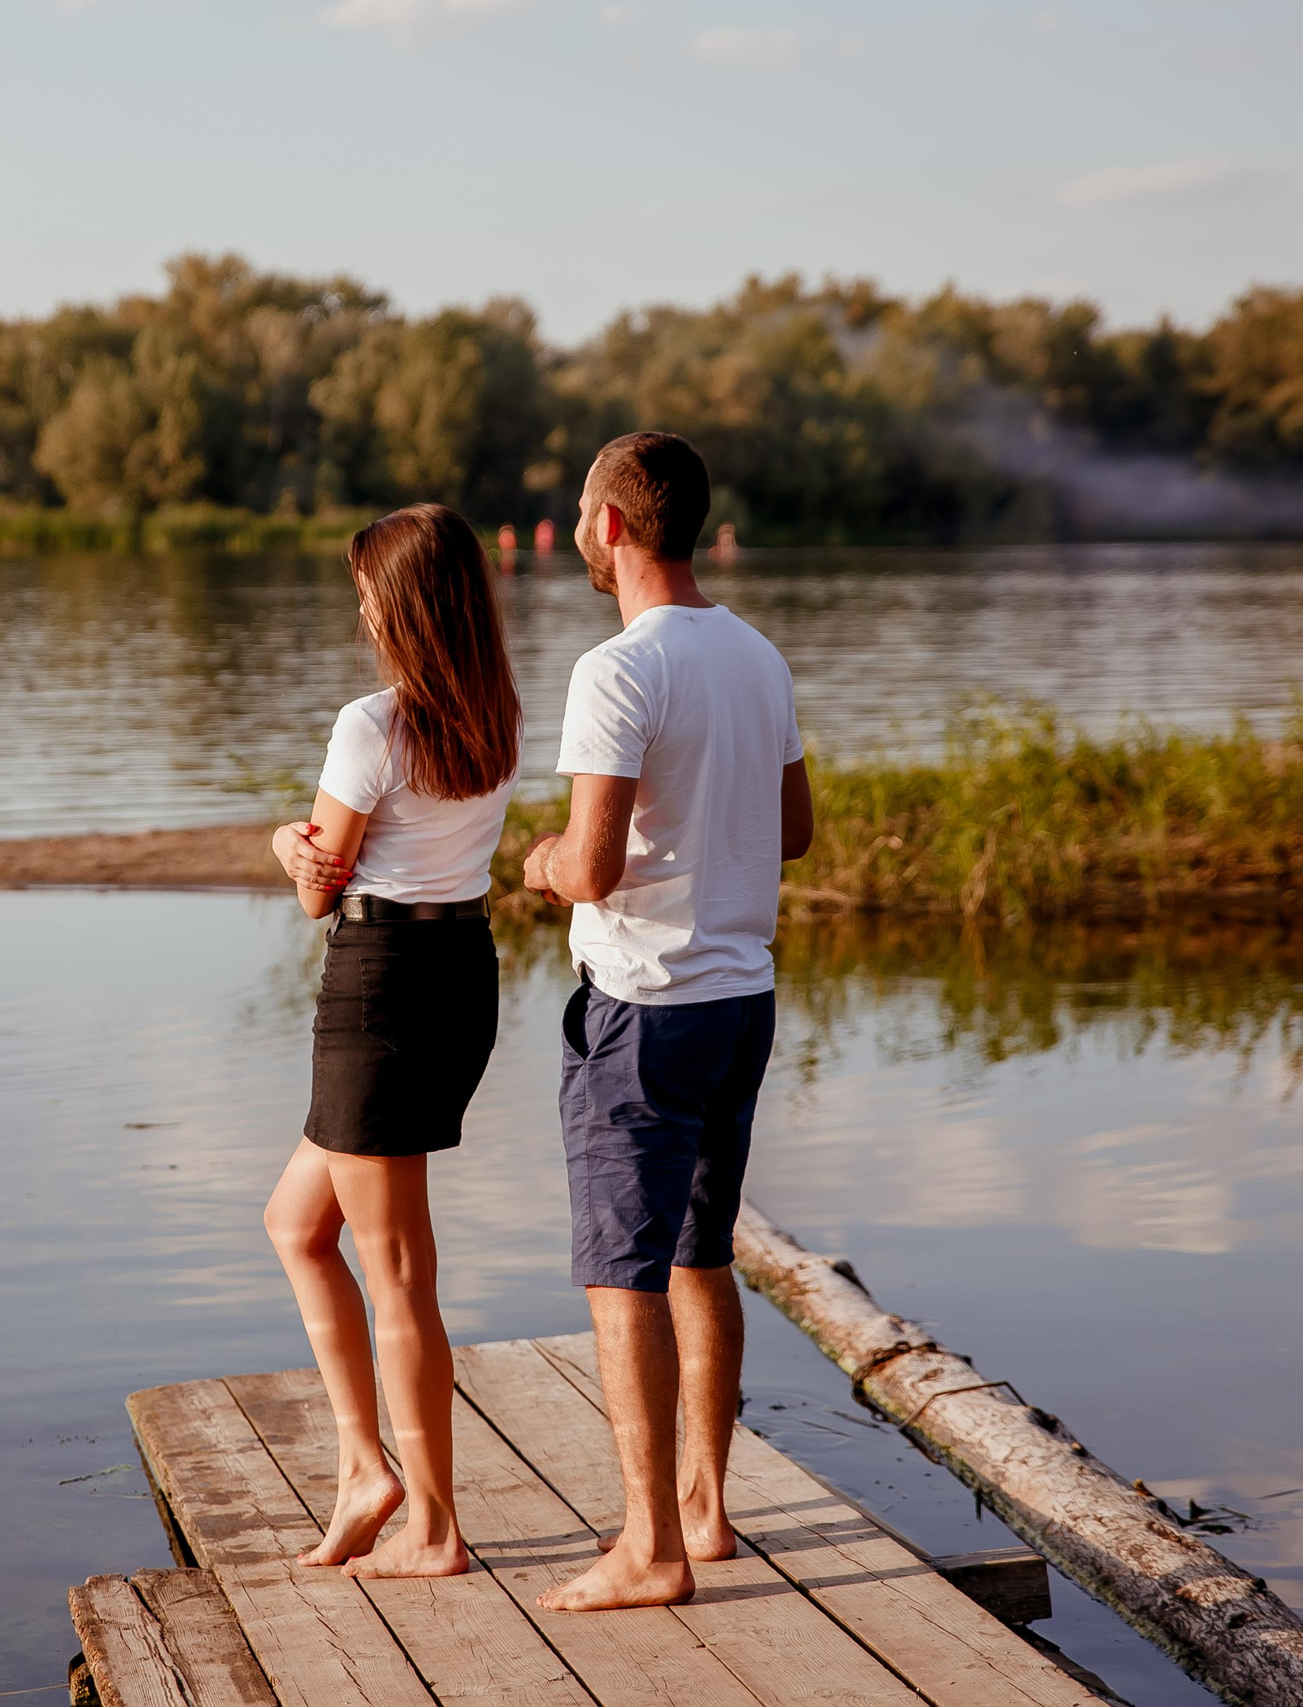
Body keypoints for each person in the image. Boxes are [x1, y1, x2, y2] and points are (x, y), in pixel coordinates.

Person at [520, 432, 812, 1612]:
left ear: (610, 526)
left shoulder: (617, 669)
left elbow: (589, 866)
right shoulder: (754, 652)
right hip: (740, 1000)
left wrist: (543, 862)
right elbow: (792, 831)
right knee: (701, 1254)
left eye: (586, 512)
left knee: (621, 1276)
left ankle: (649, 1551)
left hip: (642, 1008)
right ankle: (706, 1509)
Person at [262, 503, 523, 1580]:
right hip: (459, 976)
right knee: (294, 1225)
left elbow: (321, 892)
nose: (359, 603)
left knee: (399, 1273)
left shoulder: (371, 725)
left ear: (400, 603)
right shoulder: (494, 715)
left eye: (367, 586)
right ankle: (365, 1467)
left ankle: (434, 1529)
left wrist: (286, 843)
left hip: (378, 991)